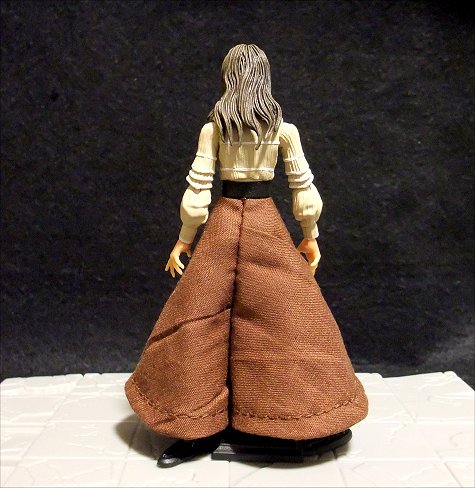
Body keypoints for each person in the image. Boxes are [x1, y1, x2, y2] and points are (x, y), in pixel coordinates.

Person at [125, 44, 368, 467]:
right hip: (264, 222)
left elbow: (198, 191)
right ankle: (287, 412)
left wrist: (184, 238)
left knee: (200, 312)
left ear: (227, 79)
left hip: (224, 220)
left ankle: (204, 416)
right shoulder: (283, 131)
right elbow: (304, 189)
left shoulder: (214, 130)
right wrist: (310, 235)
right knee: (287, 315)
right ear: (265, 79)